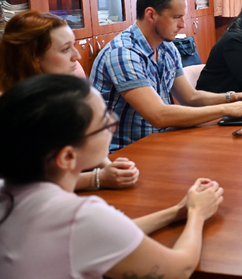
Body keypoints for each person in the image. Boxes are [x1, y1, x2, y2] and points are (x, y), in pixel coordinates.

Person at [0, 75, 223, 279]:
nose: (113, 126)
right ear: (67, 156)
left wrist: (176, 212)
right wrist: (197, 213)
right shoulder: (78, 215)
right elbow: (180, 269)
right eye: (104, 122)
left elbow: (106, 233)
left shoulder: (9, 192)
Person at [91, 0, 242, 152]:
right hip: (123, 154)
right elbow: (158, 115)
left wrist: (232, 97)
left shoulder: (166, 48)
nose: (183, 24)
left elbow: (190, 97)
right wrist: (226, 109)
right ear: (151, 15)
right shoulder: (124, 53)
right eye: (176, 17)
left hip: (158, 142)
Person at [0, 11, 139, 191]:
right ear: (33, 58)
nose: (77, 56)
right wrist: (97, 178)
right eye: (65, 49)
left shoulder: (58, 90)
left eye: (74, 45)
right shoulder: (9, 109)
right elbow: (14, 186)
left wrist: (111, 167)